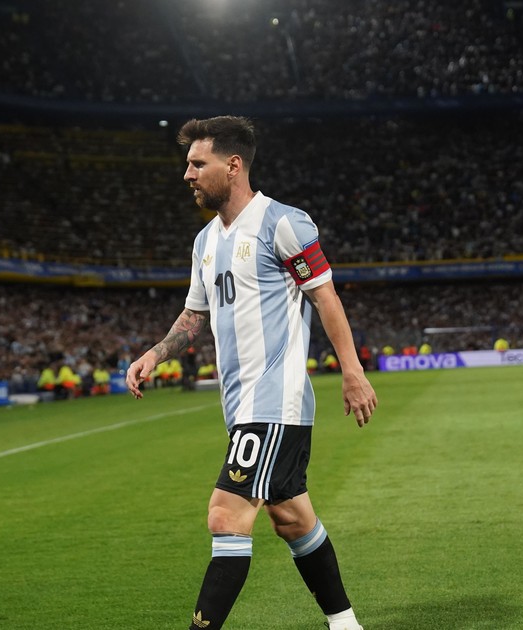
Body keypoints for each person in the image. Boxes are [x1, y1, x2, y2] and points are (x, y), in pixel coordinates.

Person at [126, 116, 377, 630]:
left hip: (275, 399)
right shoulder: (204, 242)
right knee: (291, 518)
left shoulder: (283, 223)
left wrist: (352, 371)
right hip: (240, 405)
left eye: (198, 163)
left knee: (225, 514)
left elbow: (325, 297)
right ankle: (345, 623)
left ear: (233, 165)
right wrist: (156, 353)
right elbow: (195, 316)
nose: (187, 174)